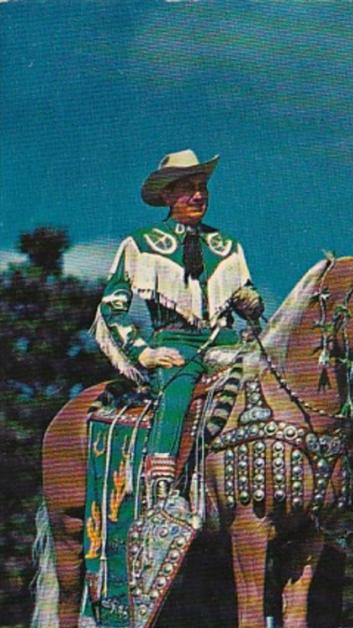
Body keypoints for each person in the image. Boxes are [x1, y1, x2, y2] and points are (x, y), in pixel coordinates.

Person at [93, 149, 263, 504]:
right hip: (175, 342)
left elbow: (249, 297)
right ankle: (160, 487)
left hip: (226, 339)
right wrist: (145, 353)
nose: (198, 195)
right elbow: (112, 308)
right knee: (177, 390)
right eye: (187, 188)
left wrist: (251, 302)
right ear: (167, 196)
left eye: (202, 187)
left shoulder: (227, 246)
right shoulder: (140, 244)